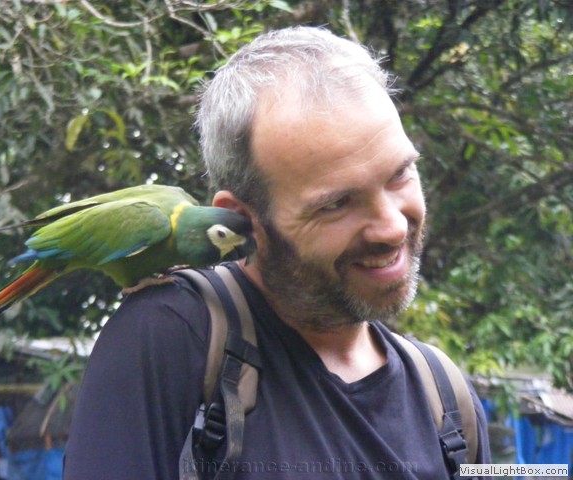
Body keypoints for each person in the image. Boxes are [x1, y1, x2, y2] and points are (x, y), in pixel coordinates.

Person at [64, 26, 491, 479]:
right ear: (243, 219)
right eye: (336, 204)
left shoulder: (446, 398)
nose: (392, 227)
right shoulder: (172, 335)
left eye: (400, 174)